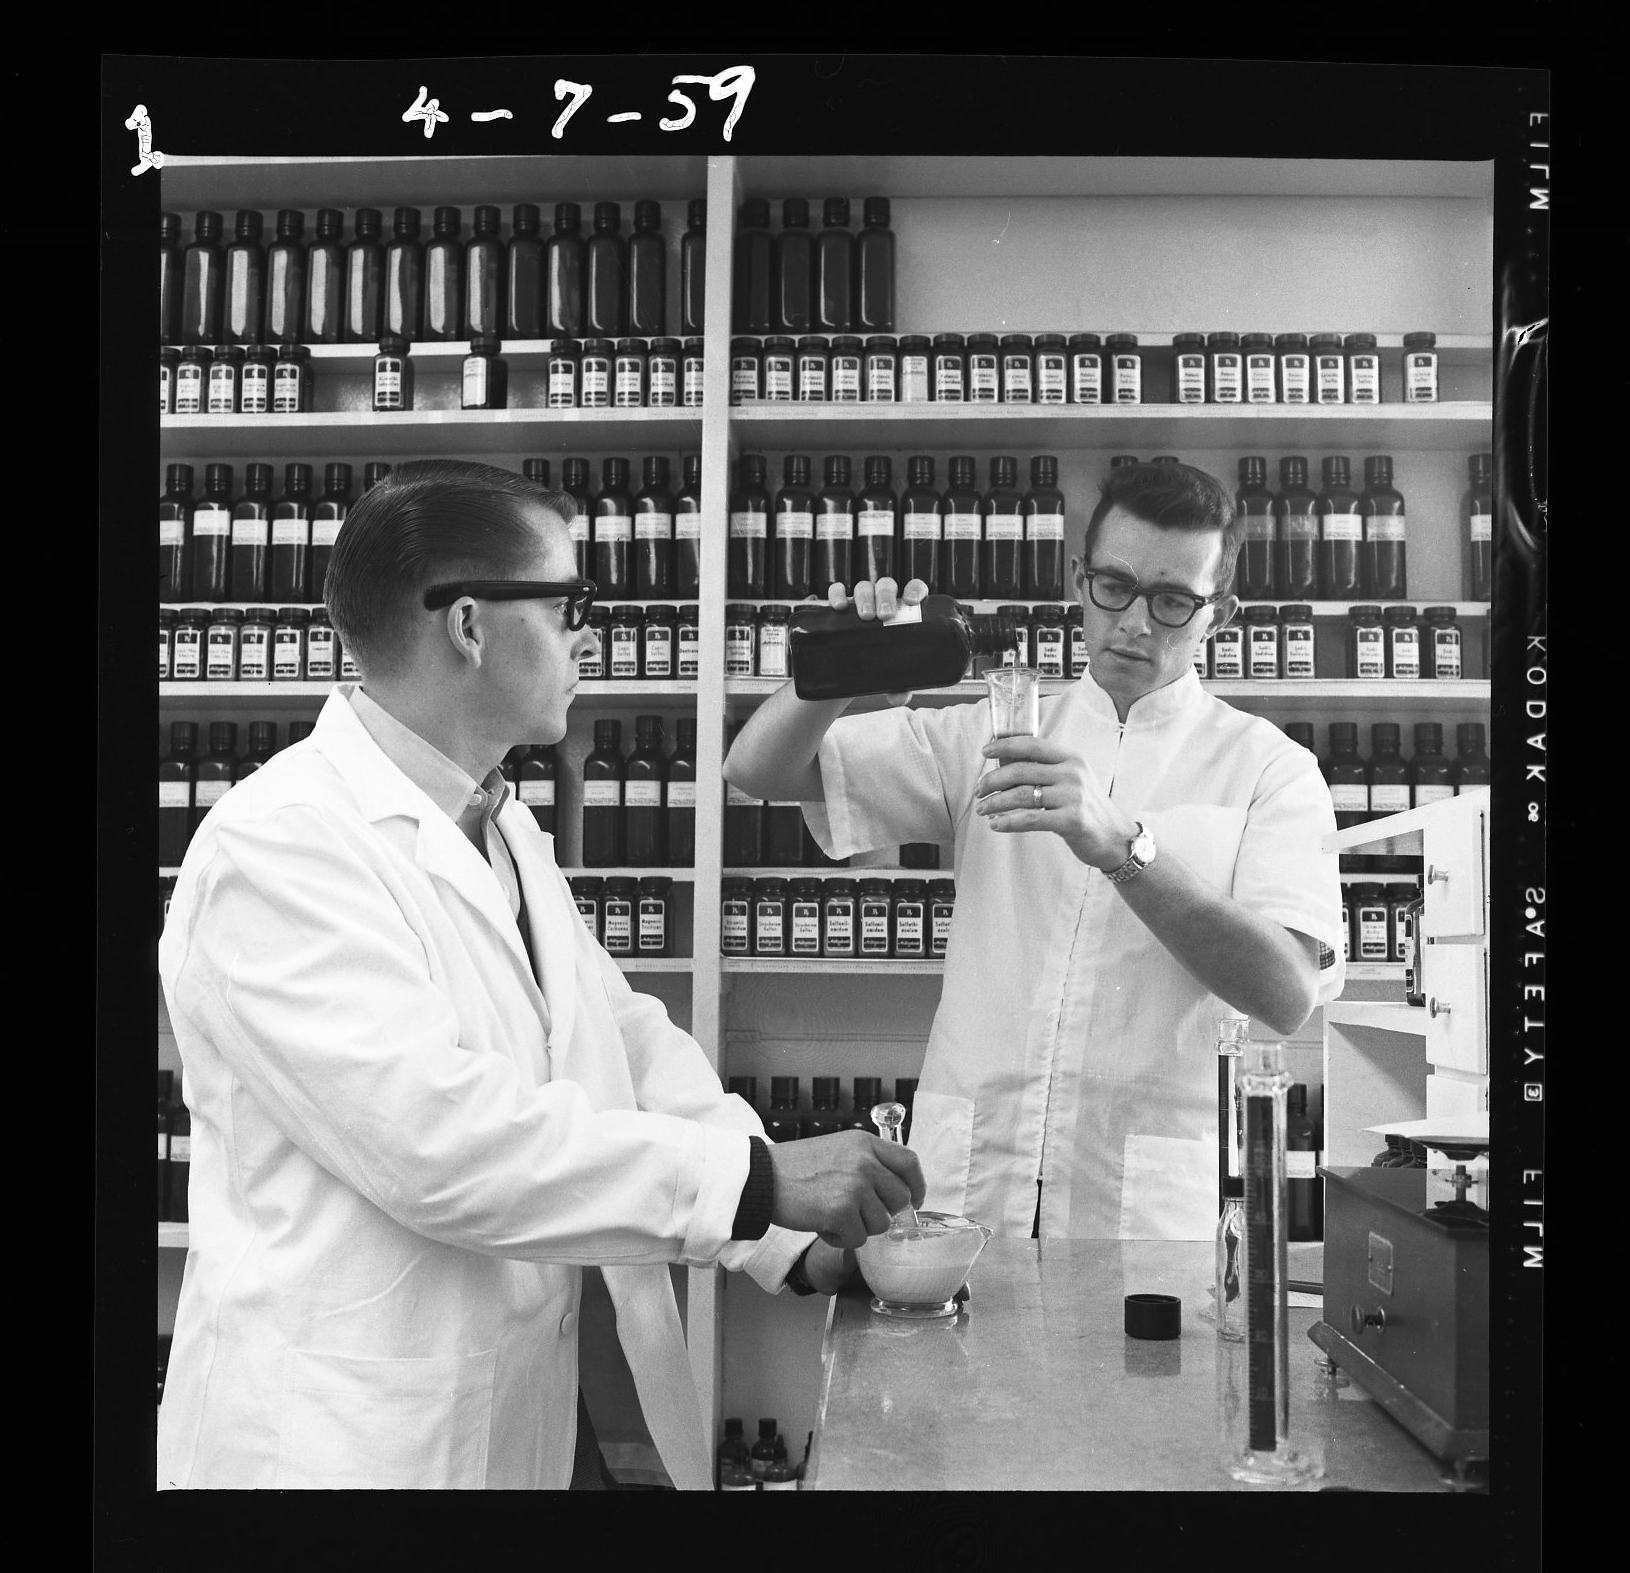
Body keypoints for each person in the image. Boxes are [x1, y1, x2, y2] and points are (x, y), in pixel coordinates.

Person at [156, 460, 923, 1491]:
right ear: (468, 625)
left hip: (509, 1420)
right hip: (344, 1447)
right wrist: (762, 1182)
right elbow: (440, 1144)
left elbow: (623, 1046)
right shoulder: (279, 846)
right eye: (570, 604)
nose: (589, 636)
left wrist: (785, 1237)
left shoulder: (498, 820)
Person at [724, 460, 1345, 1242]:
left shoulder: (1269, 768)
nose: (1135, 622)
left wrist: (1124, 847)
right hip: (969, 1183)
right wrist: (846, 664)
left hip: (1146, 1216)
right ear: (1080, 580)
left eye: (1173, 600)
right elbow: (754, 771)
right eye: (1114, 585)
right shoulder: (993, 731)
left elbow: (1288, 994)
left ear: (1218, 613)